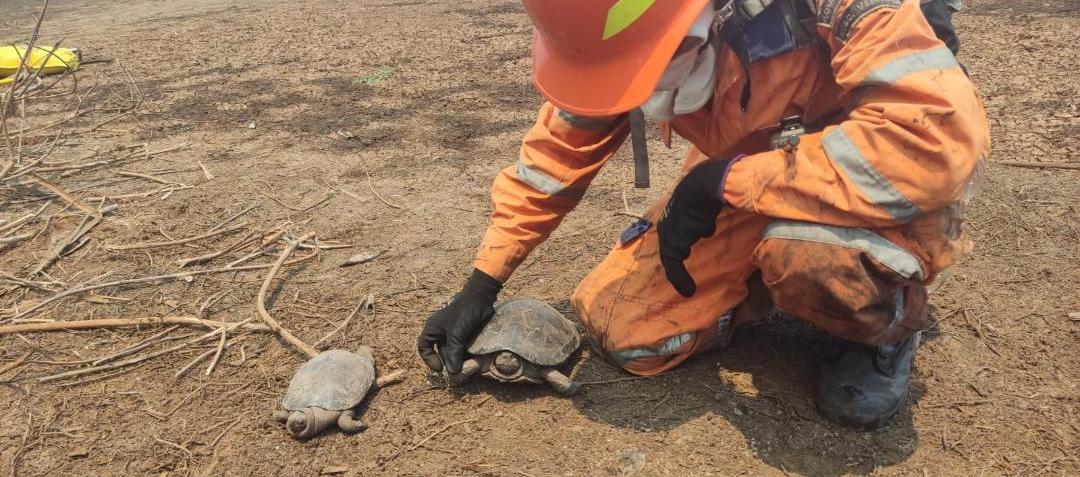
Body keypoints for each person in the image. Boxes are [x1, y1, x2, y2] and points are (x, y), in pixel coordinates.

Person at [418, 0, 989, 429]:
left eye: (650, 63)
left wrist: (723, 181)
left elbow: (933, 148)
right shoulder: (609, 21)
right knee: (627, 333)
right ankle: (761, 285)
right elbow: (553, 159)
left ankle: (880, 324)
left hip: (874, 178)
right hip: (752, 170)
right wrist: (483, 281)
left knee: (813, 261)